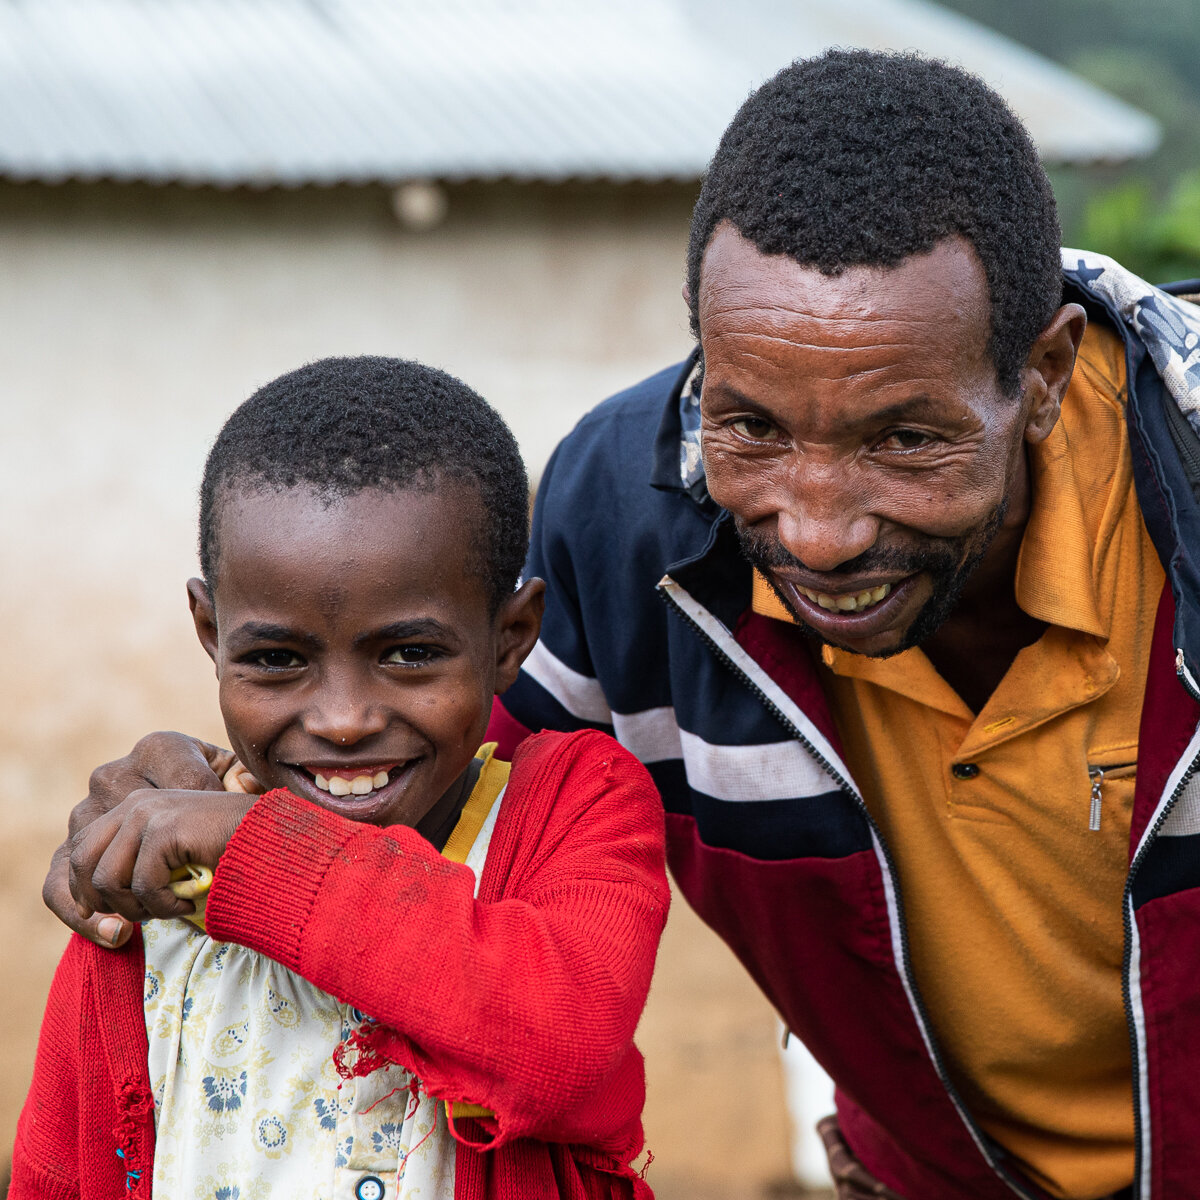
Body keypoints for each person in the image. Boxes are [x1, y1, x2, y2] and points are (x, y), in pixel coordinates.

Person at [39, 48, 1200, 1200]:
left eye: (905, 441)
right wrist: (176, 798)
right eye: (751, 429)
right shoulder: (626, 526)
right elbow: (405, 773)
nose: (817, 531)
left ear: (1042, 374)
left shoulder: (1179, 499)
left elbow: (553, 1031)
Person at [14, 357, 669, 1200]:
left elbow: (558, 1047)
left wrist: (254, 849)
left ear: (511, 638)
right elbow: (58, 1172)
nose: (344, 719)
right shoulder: (157, 881)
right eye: (277, 660)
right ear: (211, 632)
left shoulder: (573, 809)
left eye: (410, 654)